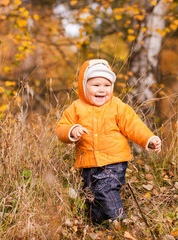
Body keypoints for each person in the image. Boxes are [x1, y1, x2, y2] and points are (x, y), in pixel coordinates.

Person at [55, 59, 161, 224]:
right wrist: (72, 130)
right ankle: (99, 227)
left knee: (105, 189)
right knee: (92, 197)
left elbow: (134, 126)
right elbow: (61, 128)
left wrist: (149, 139)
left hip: (114, 161)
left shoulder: (118, 107)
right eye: (96, 85)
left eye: (107, 85)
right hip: (87, 163)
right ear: (83, 86)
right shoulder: (76, 108)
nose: (102, 90)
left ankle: (119, 223)